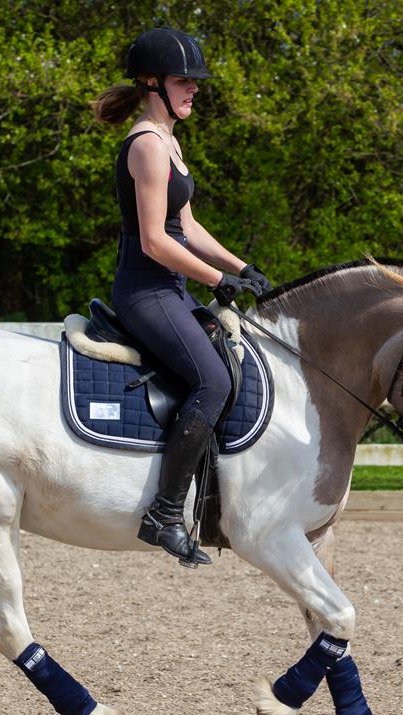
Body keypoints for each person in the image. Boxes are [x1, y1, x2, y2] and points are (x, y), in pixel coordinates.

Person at [92, 28, 272, 567]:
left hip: (168, 287)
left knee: (230, 360)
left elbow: (186, 227)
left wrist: (241, 266)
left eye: (194, 82)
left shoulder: (169, 141)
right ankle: (164, 512)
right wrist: (218, 283)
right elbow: (154, 239)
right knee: (212, 379)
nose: (193, 90)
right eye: (183, 81)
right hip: (145, 290)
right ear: (152, 84)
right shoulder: (146, 144)